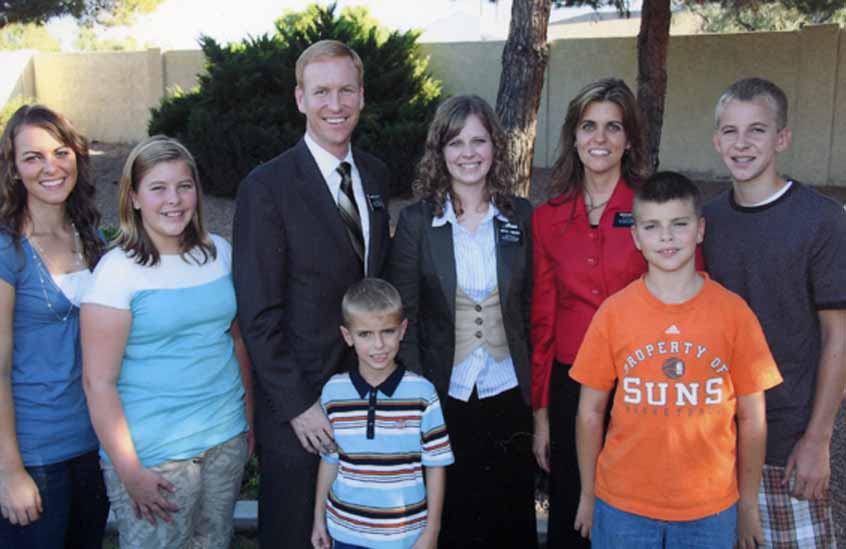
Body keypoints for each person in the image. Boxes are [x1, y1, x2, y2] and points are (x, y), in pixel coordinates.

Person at [232, 39, 392, 548]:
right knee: (296, 534)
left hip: (366, 395)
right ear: (300, 99)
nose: (335, 104)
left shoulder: (376, 174)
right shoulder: (266, 187)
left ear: (362, 95)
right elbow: (257, 313)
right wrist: (299, 405)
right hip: (301, 407)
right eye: (321, 91)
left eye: (346, 90)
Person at [571, 171, 783, 548]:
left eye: (679, 224)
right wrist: (589, 495)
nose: (666, 237)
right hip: (622, 507)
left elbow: (753, 417)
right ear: (636, 237)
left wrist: (748, 503)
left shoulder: (733, 313)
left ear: (700, 230)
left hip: (710, 510)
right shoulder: (614, 314)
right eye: (652, 226)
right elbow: (590, 412)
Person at [80, 135, 252, 548]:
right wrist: (129, 470)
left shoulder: (220, 254)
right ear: (134, 198)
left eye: (184, 186)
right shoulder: (116, 272)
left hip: (224, 440)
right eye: (158, 188)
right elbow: (97, 382)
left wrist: (248, 423)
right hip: (154, 456)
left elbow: (237, 341)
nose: (173, 200)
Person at [387, 94, 536, 548]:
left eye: (479, 141)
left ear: (495, 147)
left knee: (508, 518)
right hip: (444, 393)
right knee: (453, 520)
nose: (468, 154)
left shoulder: (521, 216)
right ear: (440, 151)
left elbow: (530, 308)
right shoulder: (416, 222)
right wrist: (418, 396)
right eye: (455, 142)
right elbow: (405, 314)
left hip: (509, 391)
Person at [704, 77, 846, 547]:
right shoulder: (706, 223)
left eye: (757, 130)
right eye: (730, 131)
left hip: (788, 441)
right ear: (716, 140)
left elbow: (838, 338)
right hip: (716, 440)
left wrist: (818, 440)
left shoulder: (822, 221)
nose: (741, 143)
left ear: (782, 138)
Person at [530, 77, 648, 547]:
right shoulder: (548, 217)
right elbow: (542, 321)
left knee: (634, 505)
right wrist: (540, 415)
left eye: (613, 127)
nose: (599, 139)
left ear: (629, 139)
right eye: (588, 126)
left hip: (641, 382)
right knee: (572, 510)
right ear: (573, 137)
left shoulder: (653, 208)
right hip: (570, 385)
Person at [0, 104, 109, 549]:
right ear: (13, 170)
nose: (51, 167)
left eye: (60, 152)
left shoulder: (91, 238)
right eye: (33, 157)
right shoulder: (8, 251)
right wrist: (9, 471)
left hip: (93, 445)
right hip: (35, 455)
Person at [310, 278, 454, 549]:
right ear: (347, 336)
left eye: (387, 331)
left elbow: (435, 465)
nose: (379, 345)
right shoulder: (333, 392)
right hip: (345, 534)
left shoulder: (422, 393)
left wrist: (431, 531)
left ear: (402, 330)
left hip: (405, 537)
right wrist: (319, 518)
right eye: (365, 334)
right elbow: (329, 460)